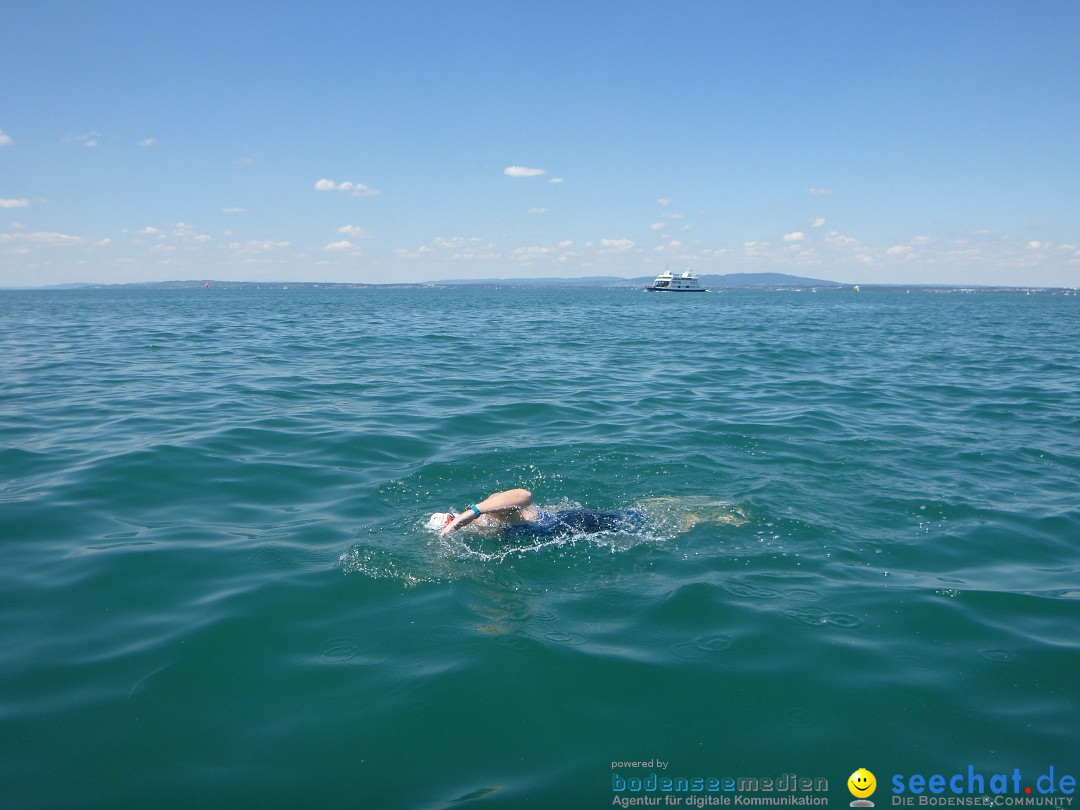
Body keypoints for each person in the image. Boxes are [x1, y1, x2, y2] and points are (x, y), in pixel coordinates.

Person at [434, 488, 646, 538]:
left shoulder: (491, 510)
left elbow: (525, 495)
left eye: (451, 522)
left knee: (640, 519)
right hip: (561, 522)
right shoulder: (490, 531)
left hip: (575, 521)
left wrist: (472, 513)